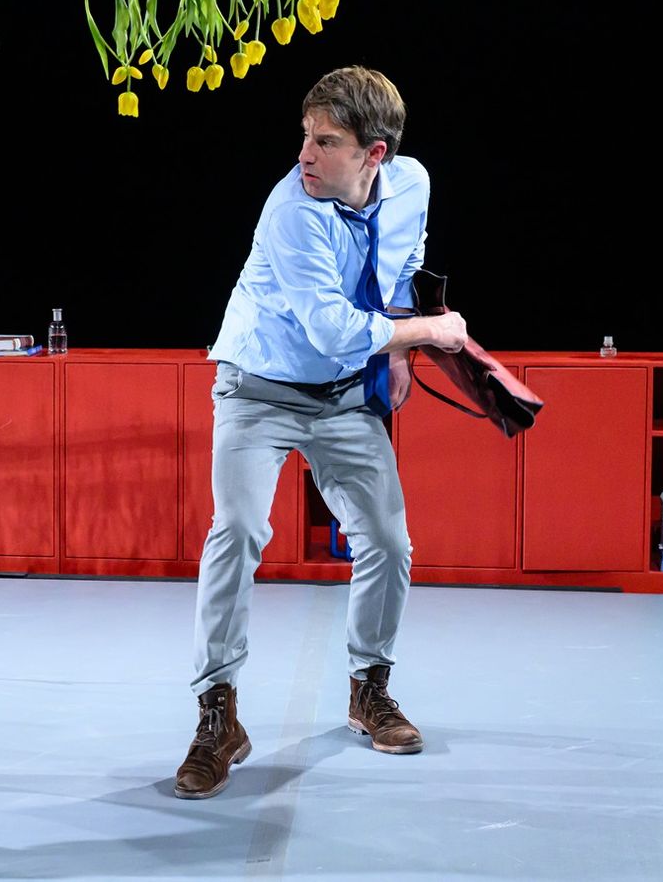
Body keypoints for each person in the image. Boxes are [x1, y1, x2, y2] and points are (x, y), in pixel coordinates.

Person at [176, 67, 468, 799]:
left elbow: (402, 266)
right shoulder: (291, 212)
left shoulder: (413, 184)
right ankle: (217, 713)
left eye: (326, 141)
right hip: (258, 387)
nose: (305, 154)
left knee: (389, 541)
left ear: (375, 154)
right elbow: (332, 329)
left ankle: (370, 688)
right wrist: (430, 334)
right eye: (305, 136)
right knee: (238, 530)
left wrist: (396, 350)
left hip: (341, 399)